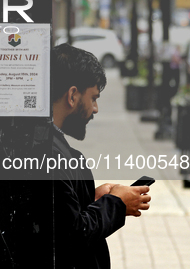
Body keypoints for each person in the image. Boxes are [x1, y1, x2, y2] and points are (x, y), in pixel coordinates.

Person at [51, 43, 151, 269]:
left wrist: (92, 199)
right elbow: (74, 234)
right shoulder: (51, 155)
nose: (95, 109)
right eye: (93, 98)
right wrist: (116, 203)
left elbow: (63, 214)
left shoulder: (52, 146)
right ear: (73, 95)